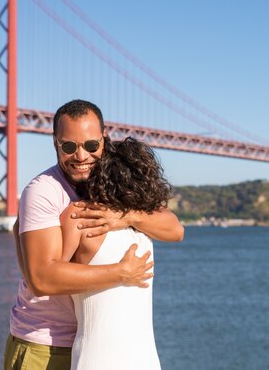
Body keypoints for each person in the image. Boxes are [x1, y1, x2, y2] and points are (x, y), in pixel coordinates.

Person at [4, 100, 184, 370]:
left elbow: (175, 229)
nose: (80, 156)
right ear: (55, 143)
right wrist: (121, 272)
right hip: (45, 345)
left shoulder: (118, 186)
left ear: (104, 139)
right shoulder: (45, 192)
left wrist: (126, 216)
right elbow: (41, 280)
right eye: (68, 146)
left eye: (90, 145)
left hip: (107, 346)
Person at [60, 137, 172, 370]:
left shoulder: (135, 218)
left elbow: (177, 230)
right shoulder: (142, 224)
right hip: (139, 360)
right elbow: (51, 278)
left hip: (110, 358)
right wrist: (119, 273)